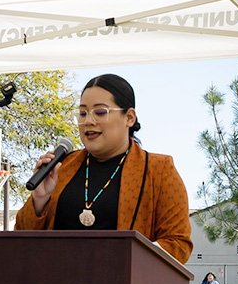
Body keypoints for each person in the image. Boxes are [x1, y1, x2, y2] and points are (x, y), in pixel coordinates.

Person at [14, 74, 192, 264]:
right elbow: (20, 240)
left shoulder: (159, 170)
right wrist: (39, 201)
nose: (88, 121)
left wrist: (124, 259)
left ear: (129, 117)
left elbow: (178, 245)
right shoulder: (61, 167)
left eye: (100, 112)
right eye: (82, 113)